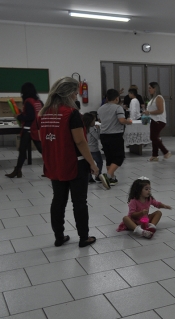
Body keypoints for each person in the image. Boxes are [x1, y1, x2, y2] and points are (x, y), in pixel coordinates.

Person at [39, 77, 99, 248]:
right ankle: (83, 237)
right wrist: (92, 164)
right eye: (75, 92)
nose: (76, 96)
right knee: (79, 202)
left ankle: (59, 237)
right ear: (69, 93)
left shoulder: (44, 113)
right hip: (74, 163)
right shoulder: (71, 114)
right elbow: (80, 142)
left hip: (54, 162)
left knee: (58, 200)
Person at [5, 82, 43, 178]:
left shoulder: (28, 101)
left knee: (22, 151)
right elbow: (36, 114)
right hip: (37, 129)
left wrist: (19, 116)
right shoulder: (38, 101)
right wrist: (22, 113)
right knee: (42, 150)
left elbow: (30, 116)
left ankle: (17, 171)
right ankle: (52, 168)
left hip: (28, 129)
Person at [97, 89, 132, 188]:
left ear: (107, 98)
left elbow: (100, 119)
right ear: (117, 98)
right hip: (115, 135)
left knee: (109, 157)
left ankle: (112, 178)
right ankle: (107, 176)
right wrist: (128, 121)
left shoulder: (100, 109)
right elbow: (121, 120)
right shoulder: (118, 108)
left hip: (103, 135)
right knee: (119, 157)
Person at [144, 82, 171, 162]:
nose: (148, 90)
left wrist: (149, 112)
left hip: (159, 120)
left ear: (155, 88)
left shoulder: (159, 97)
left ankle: (165, 152)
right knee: (155, 137)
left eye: (150, 88)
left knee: (153, 137)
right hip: (154, 120)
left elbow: (160, 110)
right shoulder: (153, 98)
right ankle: (154, 155)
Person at [82, 113, 103, 183]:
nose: (94, 122)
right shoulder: (91, 128)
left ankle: (89, 178)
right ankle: (98, 175)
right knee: (99, 162)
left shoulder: (84, 128)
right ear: (90, 121)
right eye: (94, 120)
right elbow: (97, 137)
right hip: (94, 149)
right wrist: (98, 129)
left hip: (87, 149)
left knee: (88, 164)